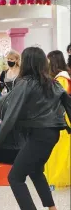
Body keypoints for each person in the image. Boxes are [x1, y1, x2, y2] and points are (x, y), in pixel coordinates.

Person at [0, 47, 71, 210]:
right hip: (52, 134)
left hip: (38, 135)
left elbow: (7, 107)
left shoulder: (26, 83)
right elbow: (67, 102)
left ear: (26, 62)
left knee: (15, 177)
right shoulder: (52, 82)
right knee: (35, 170)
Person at [0, 50, 21, 164]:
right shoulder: (4, 73)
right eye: (8, 59)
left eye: (11, 59)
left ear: (17, 60)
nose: (9, 61)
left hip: (19, 101)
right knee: (4, 123)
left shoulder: (22, 72)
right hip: (6, 101)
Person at [44, 50, 71, 188]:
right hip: (60, 116)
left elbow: (58, 99)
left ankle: (57, 178)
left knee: (59, 149)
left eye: (48, 60)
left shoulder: (61, 78)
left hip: (62, 118)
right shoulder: (61, 77)